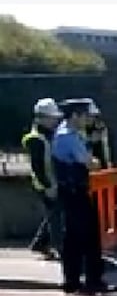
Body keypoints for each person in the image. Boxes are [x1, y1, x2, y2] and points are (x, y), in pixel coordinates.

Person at [51, 98, 113, 294]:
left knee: (74, 237)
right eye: (85, 115)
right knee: (88, 236)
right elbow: (89, 163)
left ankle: (73, 280)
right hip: (75, 192)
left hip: (73, 191)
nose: (88, 120)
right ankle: (92, 280)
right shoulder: (69, 136)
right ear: (75, 115)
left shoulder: (66, 133)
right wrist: (94, 160)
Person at [24, 98, 64, 260]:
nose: (55, 121)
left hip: (52, 181)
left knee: (53, 214)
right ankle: (60, 248)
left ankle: (40, 244)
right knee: (56, 217)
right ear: (41, 118)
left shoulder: (48, 135)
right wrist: (48, 186)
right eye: (51, 118)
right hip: (45, 184)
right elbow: (37, 166)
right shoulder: (35, 139)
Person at [84, 100, 111, 169]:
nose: (90, 118)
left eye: (92, 116)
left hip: (100, 162)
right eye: (87, 116)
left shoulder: (99, 126)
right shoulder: (78, 128)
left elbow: (105, 146)